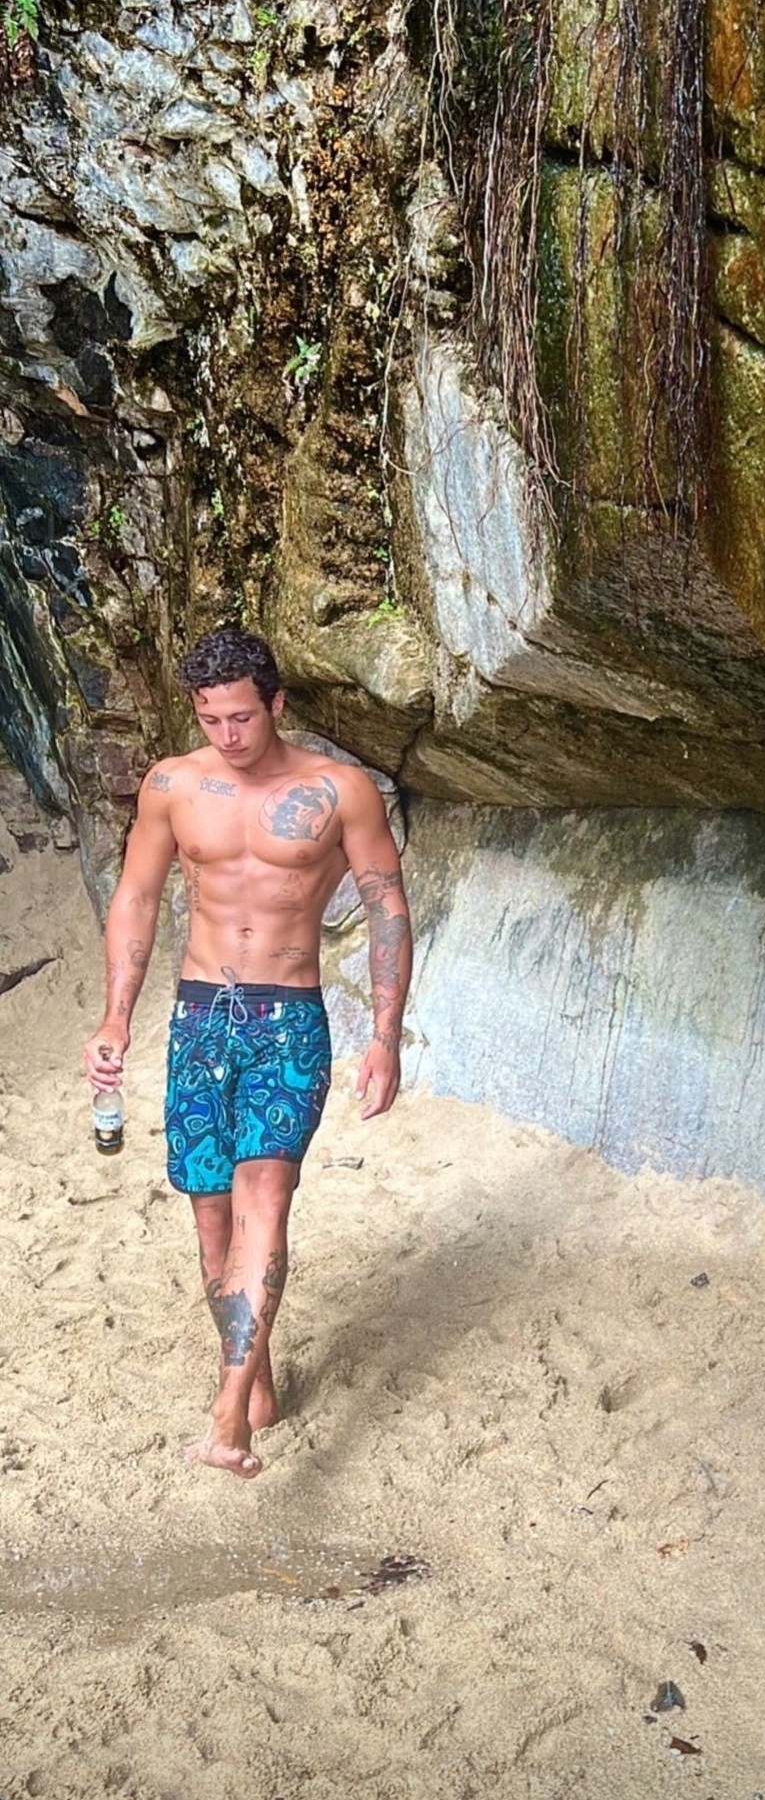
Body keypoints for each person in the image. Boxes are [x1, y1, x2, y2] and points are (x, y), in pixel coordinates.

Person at [82, 627, 412, 1480]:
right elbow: (137, 898)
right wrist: (116, 1018)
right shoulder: (172, 786)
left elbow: (386, 906)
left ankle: (229, 1416)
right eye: (210, 719)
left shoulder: (338, 792)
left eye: (242, 717)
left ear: (277, 704)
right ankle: (253, 1380)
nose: (227, 735)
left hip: (287, 1019)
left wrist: (385, 1036)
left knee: (265, 1191)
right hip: (199, 1018)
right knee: (211, 1216)